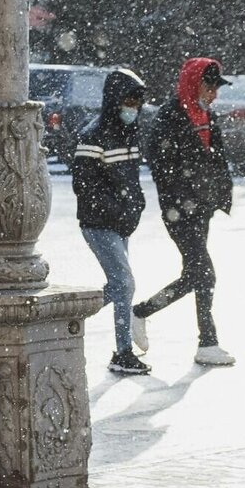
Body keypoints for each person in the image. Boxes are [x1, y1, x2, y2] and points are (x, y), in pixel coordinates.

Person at [132, 58, 237, 366]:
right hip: (179, 211)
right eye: (209, 87)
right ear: (194, 84)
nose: (213, 94)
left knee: (195, 275)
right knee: (203, 273)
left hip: (202, 208)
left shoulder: (206, 116)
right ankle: (204, 340)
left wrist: (218, 194)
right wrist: (184, 197)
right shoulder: (170, 118)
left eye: (216, 88)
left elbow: (217, 160)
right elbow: (161, 167)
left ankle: (147, 314)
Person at [71, 68, 151, 375]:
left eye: (136, 101)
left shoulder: (127, 133)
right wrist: (118, 210)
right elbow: (84, 184)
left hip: (120, 222)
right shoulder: (94, 135)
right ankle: (122, 351)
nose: (133, 107)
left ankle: (76, 314)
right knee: (123, 284)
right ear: (114, 100)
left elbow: (131, 181)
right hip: (99, 224)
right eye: (128, 100)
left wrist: (134, 207)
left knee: (120, 286)